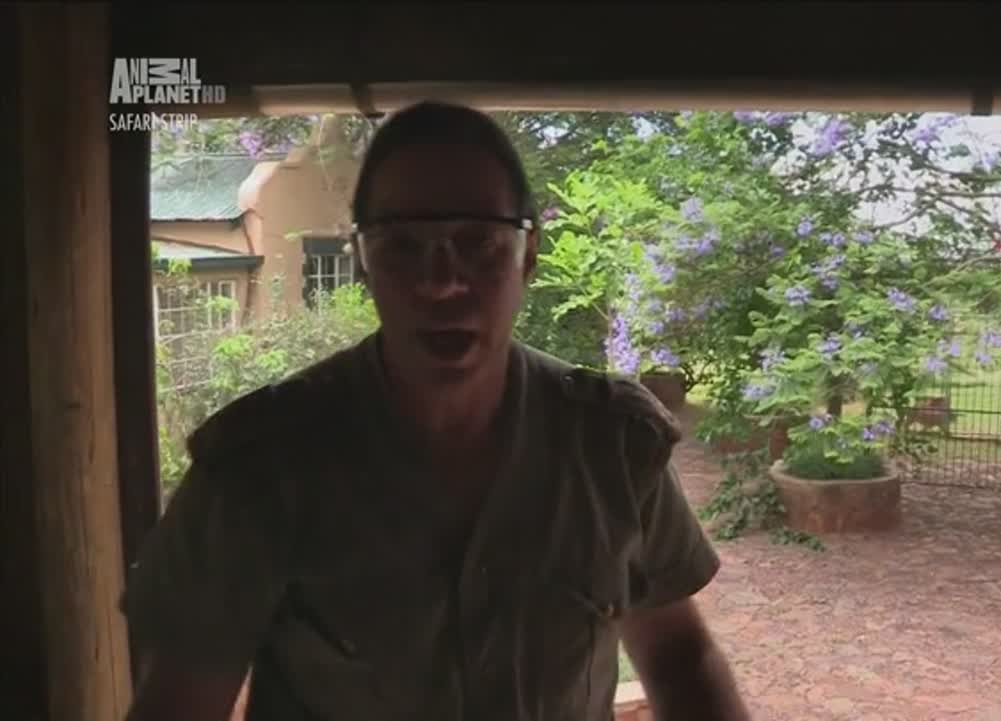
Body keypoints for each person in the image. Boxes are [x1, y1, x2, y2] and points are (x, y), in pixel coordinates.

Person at [121, 101, 752, 721]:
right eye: (402, 246)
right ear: (363, 261)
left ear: (529, 255)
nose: (442, 282)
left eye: (478, 243)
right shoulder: (256, 467)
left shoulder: (612, 445)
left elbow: (679, 656)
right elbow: (181, 701)